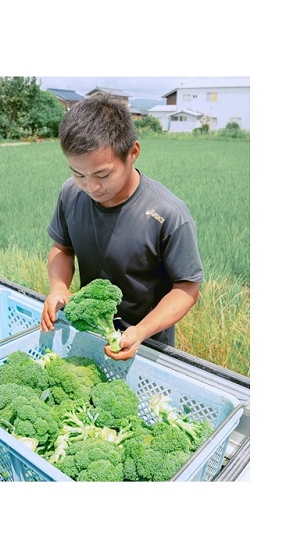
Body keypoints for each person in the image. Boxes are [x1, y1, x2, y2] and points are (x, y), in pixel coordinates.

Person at [39, 95, 204, 360]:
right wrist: (59, 287)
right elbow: (62, 248)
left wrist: (140, 332)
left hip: (148, 344)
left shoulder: (167, 214)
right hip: (90, 334)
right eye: (78, 173)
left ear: (133, 153)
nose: (91, 187)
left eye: (103, 174)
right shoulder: (71, 193)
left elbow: (186, 288)